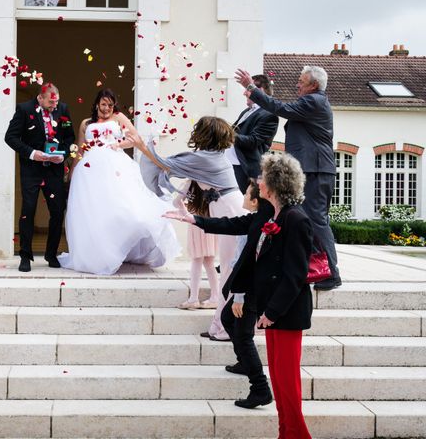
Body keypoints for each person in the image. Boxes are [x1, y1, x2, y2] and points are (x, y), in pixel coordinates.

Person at [167, 153, 313, 436]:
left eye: (262, 178)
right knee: (281, 383)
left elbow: (295, 276)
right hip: (272, 313)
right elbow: (234, 225)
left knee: (287, 382)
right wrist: (195, 220)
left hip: (286, 314)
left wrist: (271, 313)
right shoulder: (270, 213)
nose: (257, 182)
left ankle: (297, 434)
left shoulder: (297, 220)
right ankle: (286, 432)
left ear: (273, 185)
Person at [168, 178, 274, 409]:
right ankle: (243, 362)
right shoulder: (256, 218)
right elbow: (227, 224)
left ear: (256, 201)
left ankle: (260, 388)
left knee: (244, 336)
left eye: (246, 193)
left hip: (249, 290)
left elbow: (250, 263)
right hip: (244, 286)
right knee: (227, 319)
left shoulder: (263, 223)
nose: (242, 196)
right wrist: (193, 219)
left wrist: (239, 295)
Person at [139, 116, 246, 340]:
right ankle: (219, 326)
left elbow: (165, 164)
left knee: (228, 269)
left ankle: (224, 328)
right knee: (227, 267)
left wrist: (141, 146)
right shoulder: (210, 157)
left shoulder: (206, 159)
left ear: (205, 134)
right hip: (227, 208)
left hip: (230, 210)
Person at [235, 66, 341, 291]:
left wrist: (251, 88)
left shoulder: (314, 101)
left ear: (313, 85)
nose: (297, 84)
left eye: (301, 81)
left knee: (317, 220)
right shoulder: (312, 101)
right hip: (310, 169)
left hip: (317, 169)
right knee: (305, 219)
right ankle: (316, 268)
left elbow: (279, 107)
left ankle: (332, 273)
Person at [58, 89, 180, 275]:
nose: (107, 108)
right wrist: (73, 171)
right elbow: (81, 150)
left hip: (114, 168)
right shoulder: (86, 123)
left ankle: (119, 250)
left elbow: (135, 139)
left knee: (124, 209)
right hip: (89, 173)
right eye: (104, 104)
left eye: (110, 105)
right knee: (93, 213)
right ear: (97, 104)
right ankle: (96, 255)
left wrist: (119, 144)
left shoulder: (118, 118)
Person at [5, 83, 75, 272]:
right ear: (40, 98)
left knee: (58, 211)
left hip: (54, 170)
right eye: (51, 102)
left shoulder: (63, 110)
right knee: (28, 210)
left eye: (56, 102)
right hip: (31, 170)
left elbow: (70, 137)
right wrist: (32, 153)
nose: (54, 106)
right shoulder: (24, 109)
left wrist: (64, 154)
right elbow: (10, 137)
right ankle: (25, 256)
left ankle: (51, 254)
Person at [225, 74, 279, 193]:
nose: (244, 93)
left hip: (243, 168)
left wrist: (225, 134)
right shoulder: (247, 111)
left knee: (239, 208)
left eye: (247, 89)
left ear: (259, 91)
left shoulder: (269, 115)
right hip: (228, 166)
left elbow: (253, 141)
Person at [175, 181, 218, 310]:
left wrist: (186, 206)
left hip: (196, 222)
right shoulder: (211, 179)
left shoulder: (191, 182)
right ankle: (215, 296)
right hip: (211, 222)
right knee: (209, 261)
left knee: (196, 260)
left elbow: (176, 202)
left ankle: (193, 298)